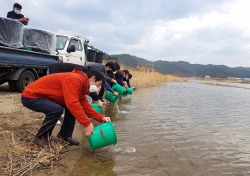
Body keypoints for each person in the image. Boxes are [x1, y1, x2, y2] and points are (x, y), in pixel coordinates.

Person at [21, 68, 111, 147]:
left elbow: (85, 106)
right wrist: (87, 124)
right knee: (56, 110)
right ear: (93, 78)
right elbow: (72, 103)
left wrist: (101, 117)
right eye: (99, 84)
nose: (99, 88)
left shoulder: (82, 86)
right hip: (31, 96)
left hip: (46, 97)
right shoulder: (75, 79)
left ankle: (64, 135)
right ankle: (41, 137)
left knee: (72, 109)